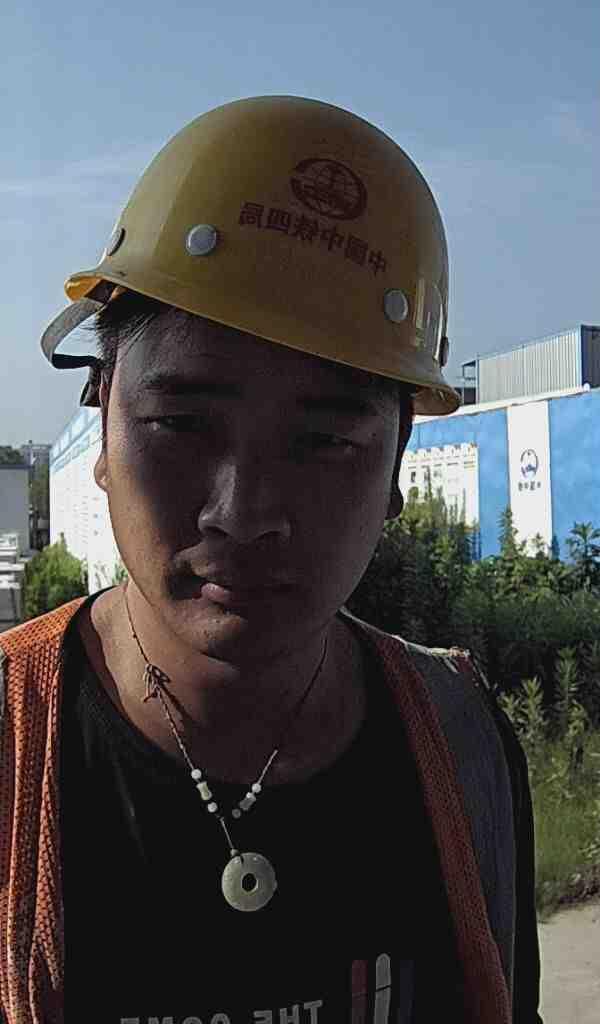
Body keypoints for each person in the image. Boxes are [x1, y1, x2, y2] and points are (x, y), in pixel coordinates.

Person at [0, 96, 543, 1024]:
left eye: (324, 442)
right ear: (103, 417)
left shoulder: (463, 749)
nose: (244, 512)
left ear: (396, 468)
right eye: (182, 424)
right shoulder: (16, 744)